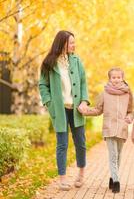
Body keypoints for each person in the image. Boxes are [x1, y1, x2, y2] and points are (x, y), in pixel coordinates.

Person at [39, 30, 89, 191]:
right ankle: (62, 179)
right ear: (62, 44)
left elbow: (83, 83)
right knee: (62, 144)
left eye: (74, 42)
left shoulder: (76, 60)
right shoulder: (48, 63)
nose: (74, 45)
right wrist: (49, 103)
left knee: (80, 143)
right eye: (71, 42)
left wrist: (84, 101)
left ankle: (81, 174)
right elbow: (42, 85)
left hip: (76, 109)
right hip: (60, 110)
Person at [78, 67, 133, 193]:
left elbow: (130, 112)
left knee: (119, 155)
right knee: (113, 155)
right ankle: (117, 181)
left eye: (119, 77)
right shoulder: (104, 93)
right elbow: (98, 109)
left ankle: (113, 177)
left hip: (122, 128)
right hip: (109, 127)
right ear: (110, 78)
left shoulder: (128, 94)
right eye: (113, 77)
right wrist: (85, 111)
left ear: (122, 78)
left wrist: (129, 118)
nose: (116, 80)